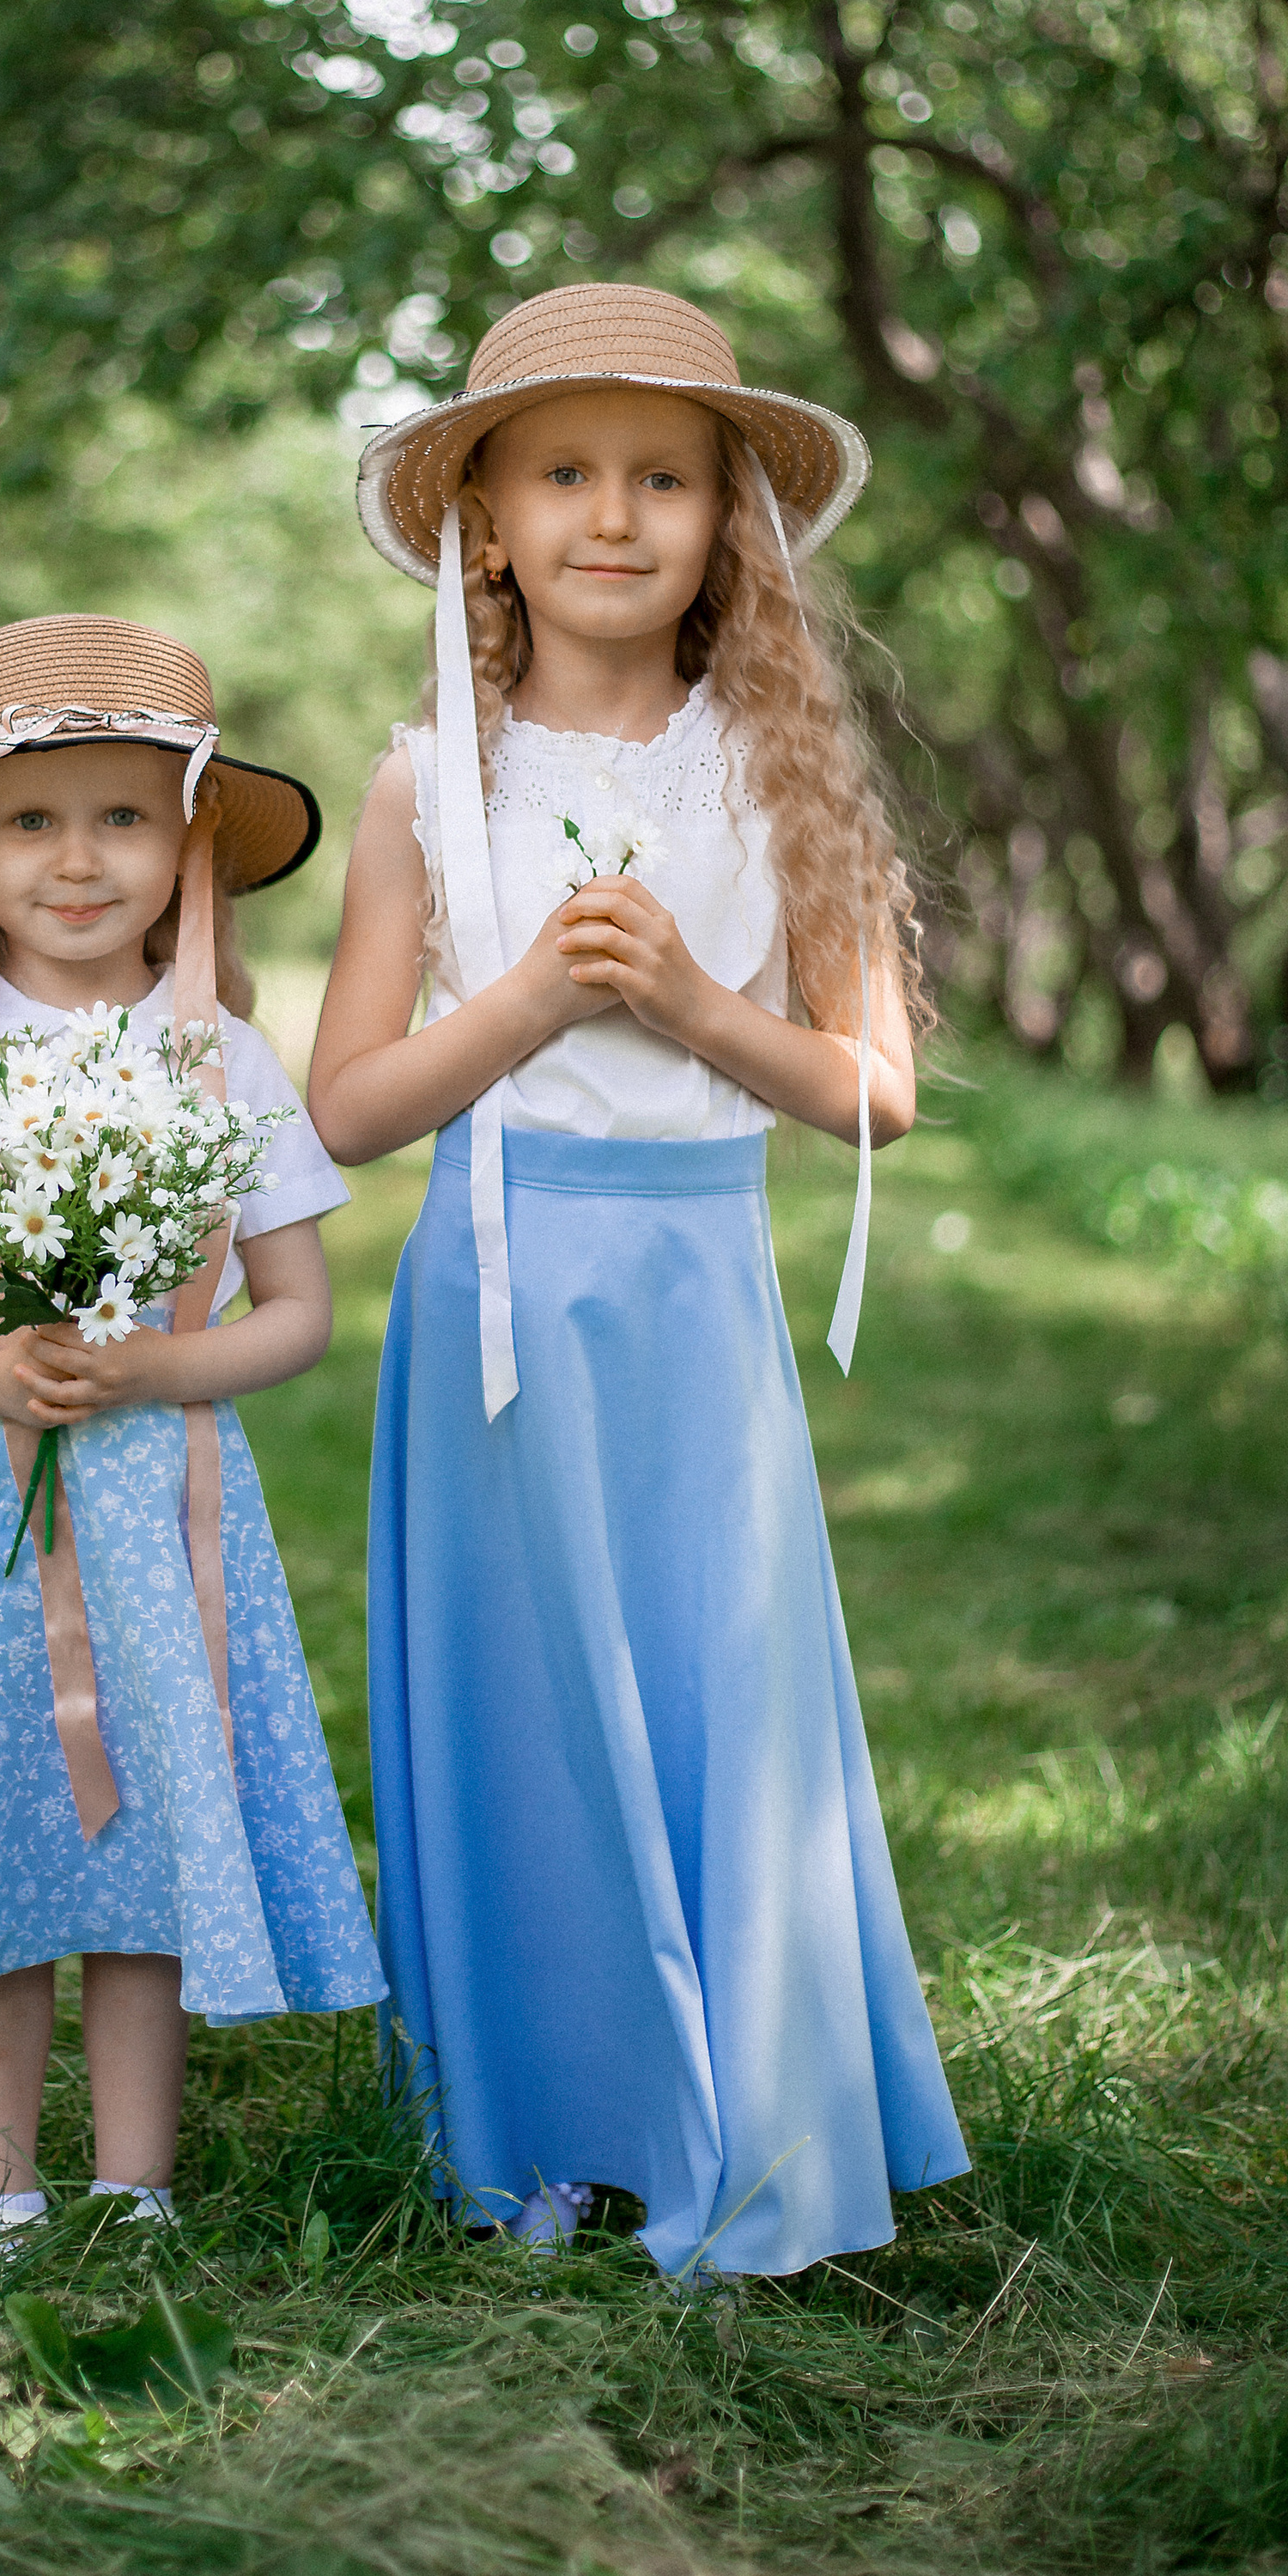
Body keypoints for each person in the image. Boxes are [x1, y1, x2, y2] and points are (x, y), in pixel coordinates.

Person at [311, 283, 969, 2276]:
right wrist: (523, 999)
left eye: (664, 477)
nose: (615, 515)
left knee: (711, 1689)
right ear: (480, 526)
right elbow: (343, 1111)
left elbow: (875, 1096)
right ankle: (543, 2126)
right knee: (521, 1706)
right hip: (495, 1301)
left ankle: (753, 2107)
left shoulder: (782, 781)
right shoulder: (430, 779)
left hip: (693, 1307)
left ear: (725, 524)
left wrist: (688, 1000)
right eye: (565, 474)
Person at [0, 612, 384, 2250]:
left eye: (125, 815)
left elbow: (298, 1313)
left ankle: (134, 2188)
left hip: (160, 1504)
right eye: (31, 819)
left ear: (191, 847)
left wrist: (149, 1372)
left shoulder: (226, 1061)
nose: (78, 857)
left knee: (149, 1843)